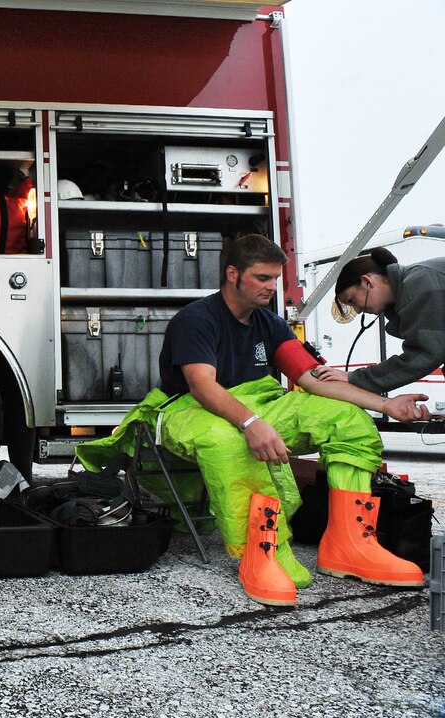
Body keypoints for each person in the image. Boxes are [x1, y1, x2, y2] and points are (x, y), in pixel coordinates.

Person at [77, 234, 430, 607]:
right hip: (186, 409)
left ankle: (349, 545)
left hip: (257, 402)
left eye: (275, 279)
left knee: (349, 421)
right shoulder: (196, 319)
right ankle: (262, 551)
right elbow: (202, 387)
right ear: (233, 274)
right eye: (262, 278)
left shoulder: (271, 324)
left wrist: (386, 406)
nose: (271, 287)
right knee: (230, 441)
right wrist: (251, 425)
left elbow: (311, 380)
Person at [313, 246, 445, 393]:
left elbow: (424, 354)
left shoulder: (420, 282)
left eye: (352, 300)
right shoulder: (413, 286)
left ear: (367, 282)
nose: (357, 310)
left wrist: (354, 378)